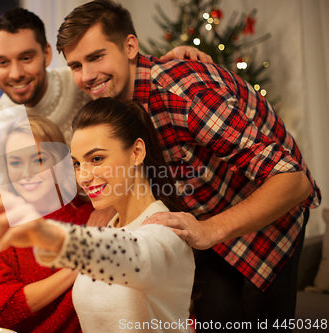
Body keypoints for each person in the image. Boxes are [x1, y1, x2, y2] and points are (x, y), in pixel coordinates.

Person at [53, 0, 321, 331]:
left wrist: (209, 229)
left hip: (269, 217)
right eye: (76, 65)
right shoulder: (107, 97)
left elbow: (293, 182)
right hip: (204, 220)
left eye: (96, 57)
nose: (87, 75)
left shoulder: (185, 93)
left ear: (130, 46)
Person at [0, 6, 213, 264]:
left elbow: (129, 79)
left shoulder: (84, 82)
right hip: (48, 248)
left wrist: (179, 57)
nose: (15, 73)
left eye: (26, 58)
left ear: (46, 53)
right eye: (2, 62)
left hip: (117, 224)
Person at [0, 98, 195, 333]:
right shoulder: (108, 226)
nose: (83, 177)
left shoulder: (166, 229)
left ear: (137, 152)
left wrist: (45, 235)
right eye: (78, 164)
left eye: (97, 159)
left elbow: (136, 256)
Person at [0, 114, 94, 332]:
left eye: (39, 160)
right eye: (15, 162)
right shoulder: (1, 222)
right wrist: (81, 264)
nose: (26, 173)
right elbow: (1, 310)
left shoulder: (91, 215)